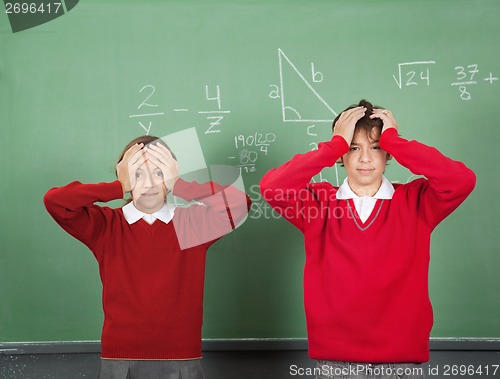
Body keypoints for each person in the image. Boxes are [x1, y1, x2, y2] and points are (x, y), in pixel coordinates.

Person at [259, 100, 476, 379]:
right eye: (353, 148)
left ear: (388, 156)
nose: (365, 158)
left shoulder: (415, 202)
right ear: (341, 155)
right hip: (334, 361)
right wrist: (334, 143)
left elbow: (462, 180)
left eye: (375, 148)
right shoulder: (318, 204)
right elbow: (272, 187)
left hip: (402, 361)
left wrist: (395, 141)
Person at [44, 135, 250, 379]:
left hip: (182, 357)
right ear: (126, 178)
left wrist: (181, 185)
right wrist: (117, 187)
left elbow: (240, 204)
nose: (149, 183)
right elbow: (55, 202)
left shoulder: (191, 224)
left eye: (160, 173)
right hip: (119, 358)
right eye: (138, 174)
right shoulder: (107, 225)